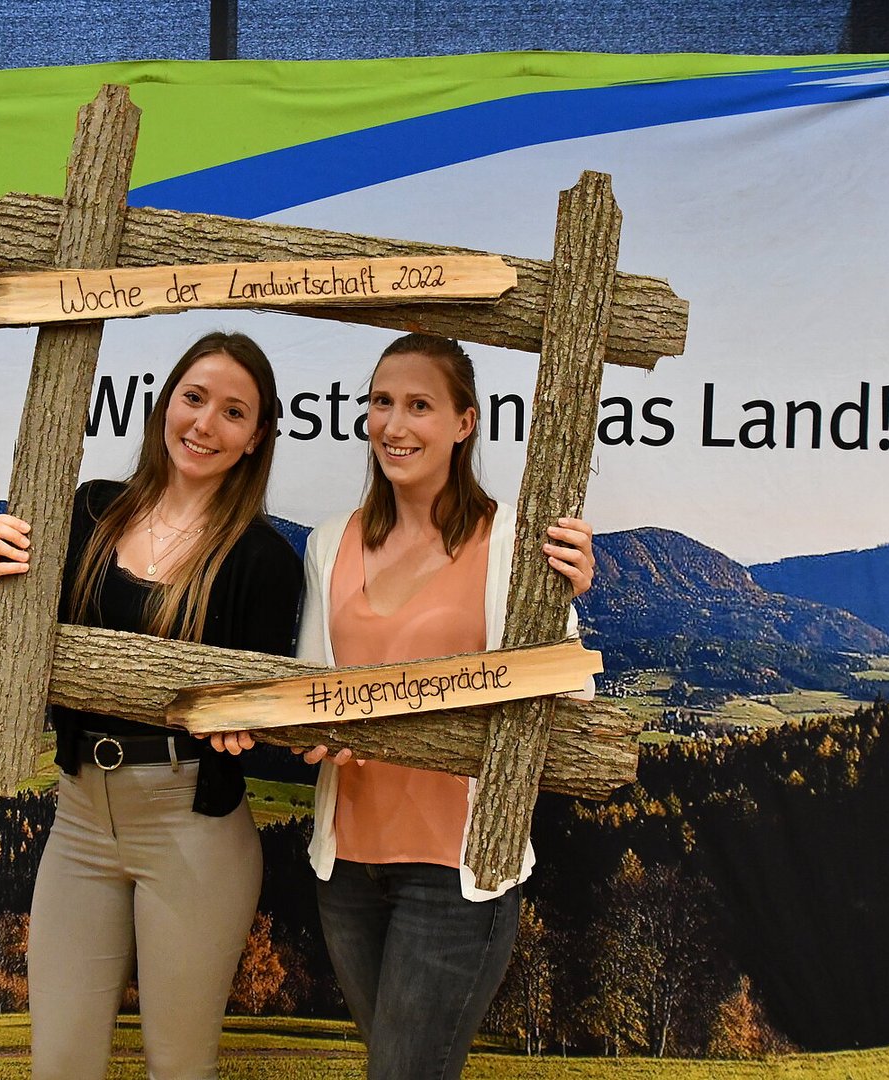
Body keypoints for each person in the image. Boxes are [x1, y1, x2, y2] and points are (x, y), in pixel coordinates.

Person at [0, 331, 302, 1080]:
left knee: (178, 1068)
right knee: (59, 1065)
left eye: (233, 412)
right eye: (194, 398)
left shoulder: (265, 562)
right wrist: (0, 582)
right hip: (79, 818)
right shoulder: (88, 511)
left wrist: (245, 724)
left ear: (256, 438)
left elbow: (257, 710)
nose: (205, 424)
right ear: (165, 405)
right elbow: (28, 645)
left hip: (193, 829)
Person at [296, 333, 594, 1080]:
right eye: (381, 402)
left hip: (457, 873)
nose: (394, 425)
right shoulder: (329, 543)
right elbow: (309, 692)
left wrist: (567, 597)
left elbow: (573, 696)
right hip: (347, 871)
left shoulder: (516, 542)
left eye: (419, 406)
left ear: (465, 422)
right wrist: (309, 731)